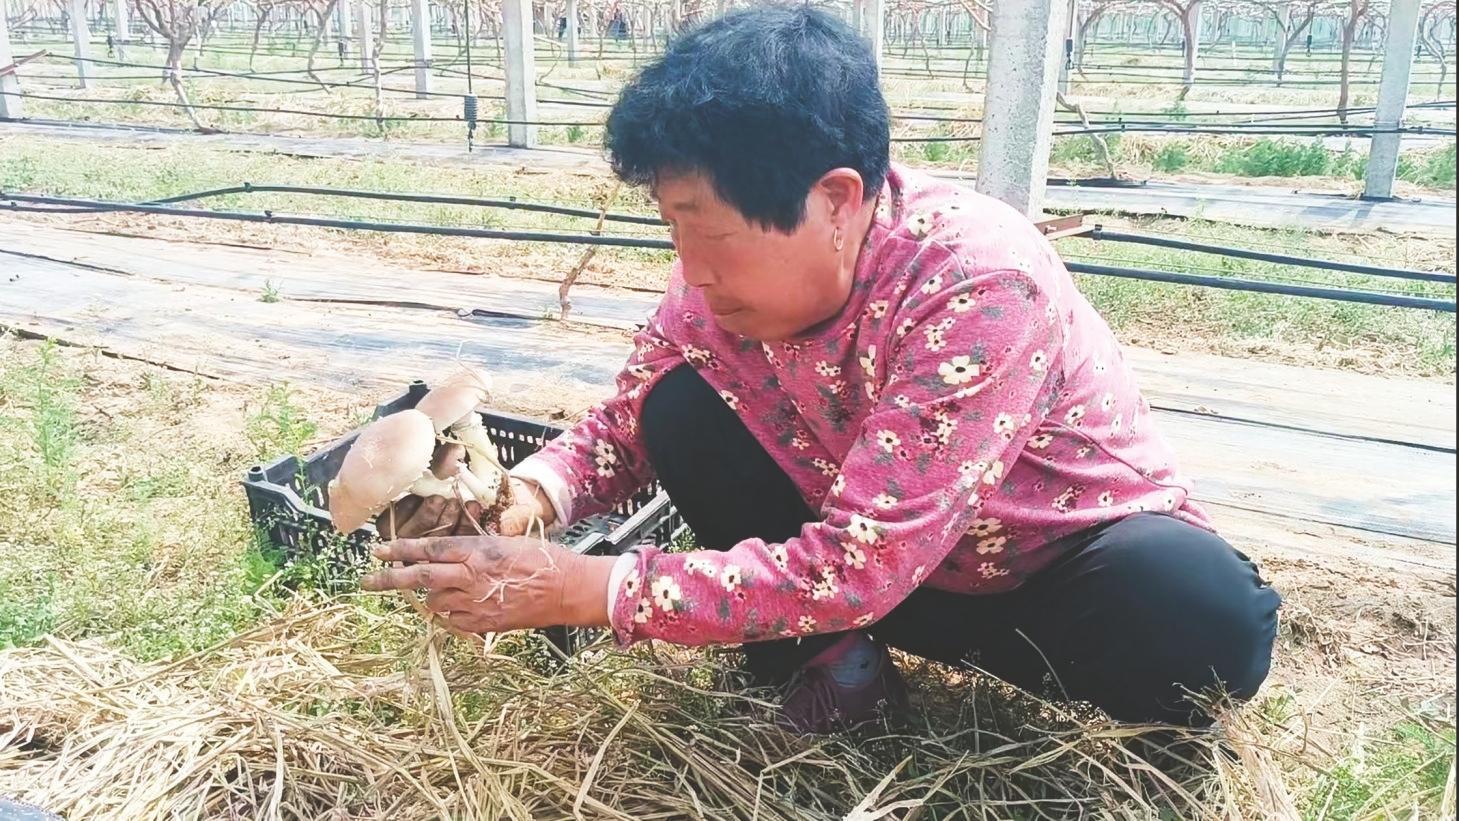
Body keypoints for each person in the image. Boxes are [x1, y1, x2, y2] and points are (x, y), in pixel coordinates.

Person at [361, 5, 1281, 734]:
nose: (690, 268)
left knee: (1195, 615)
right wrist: (531, 496)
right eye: (672, 227)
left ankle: (856, 637)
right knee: (677, 407)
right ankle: (836, 662)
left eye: (709, 230)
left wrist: (587, 586)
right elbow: (620, 428)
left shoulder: (976, 283)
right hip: (875, 580)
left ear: (836, 200)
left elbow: (862, 560)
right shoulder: (712, 292)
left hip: (1044, 576)